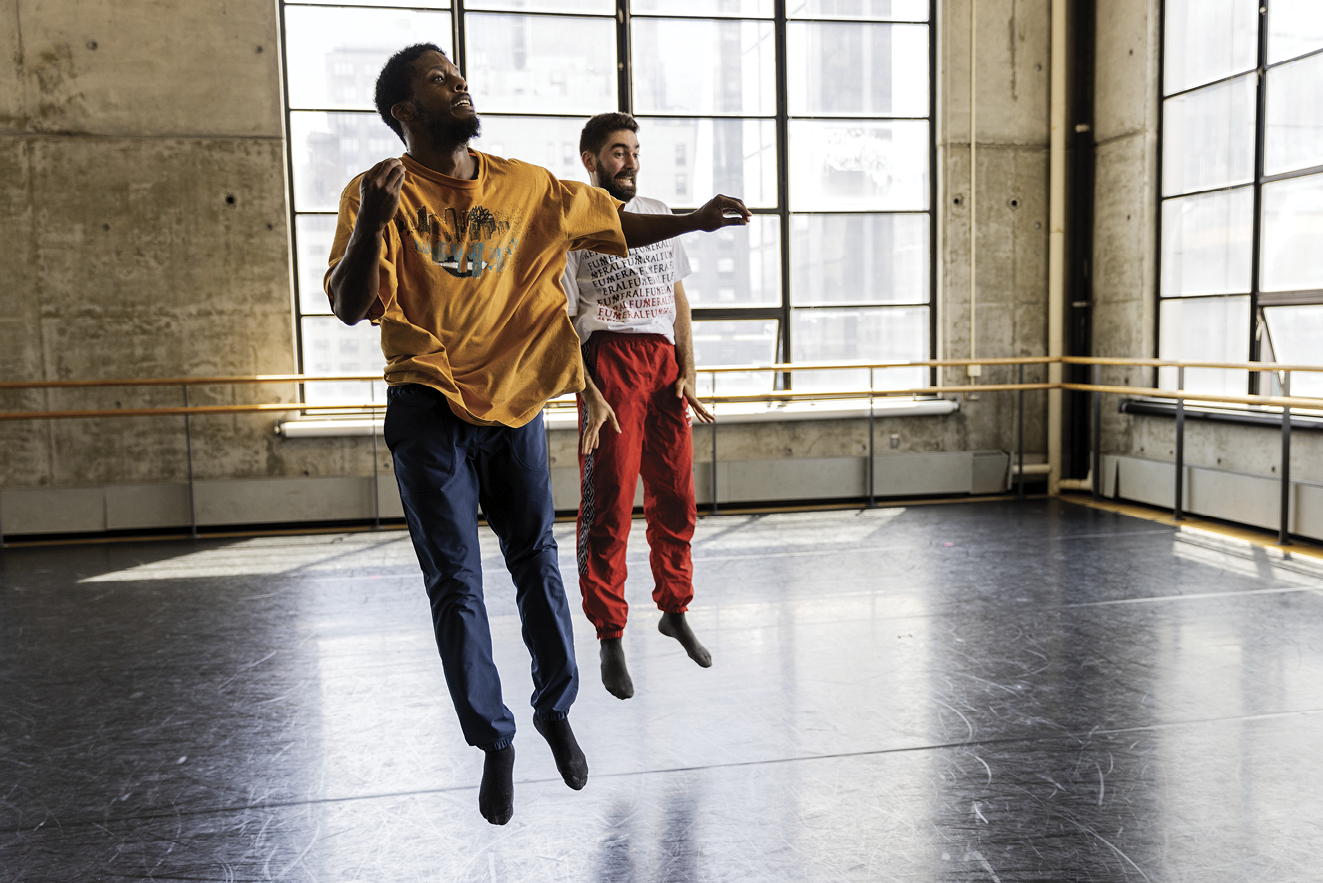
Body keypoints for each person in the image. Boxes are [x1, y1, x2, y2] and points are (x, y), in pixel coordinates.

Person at [324, 44, 749, 826]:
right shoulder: (375, 192)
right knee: (454, 581)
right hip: (427, 404)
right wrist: (374, 226)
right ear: (404, 113)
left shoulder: (525, 186)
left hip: (517, 403)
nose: (459, 84)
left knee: (535, 562)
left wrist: (692, 217)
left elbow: (613, 221)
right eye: (438, 81)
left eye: (459, 75)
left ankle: (555, 706)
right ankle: (494, 740)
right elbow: (351, 305)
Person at [563, 113, 715, 701]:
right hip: (610, 362)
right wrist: (589, 389)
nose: (629, 161)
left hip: (663, 368)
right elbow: (561, 318)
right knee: (610, 505)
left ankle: (674, 606)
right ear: (591, 159)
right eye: (617, 152)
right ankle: (609, 632)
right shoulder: (574, 220)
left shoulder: (656, 208)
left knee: (676, 496)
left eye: (634, 150)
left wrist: (690, 370)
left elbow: (677, 295)